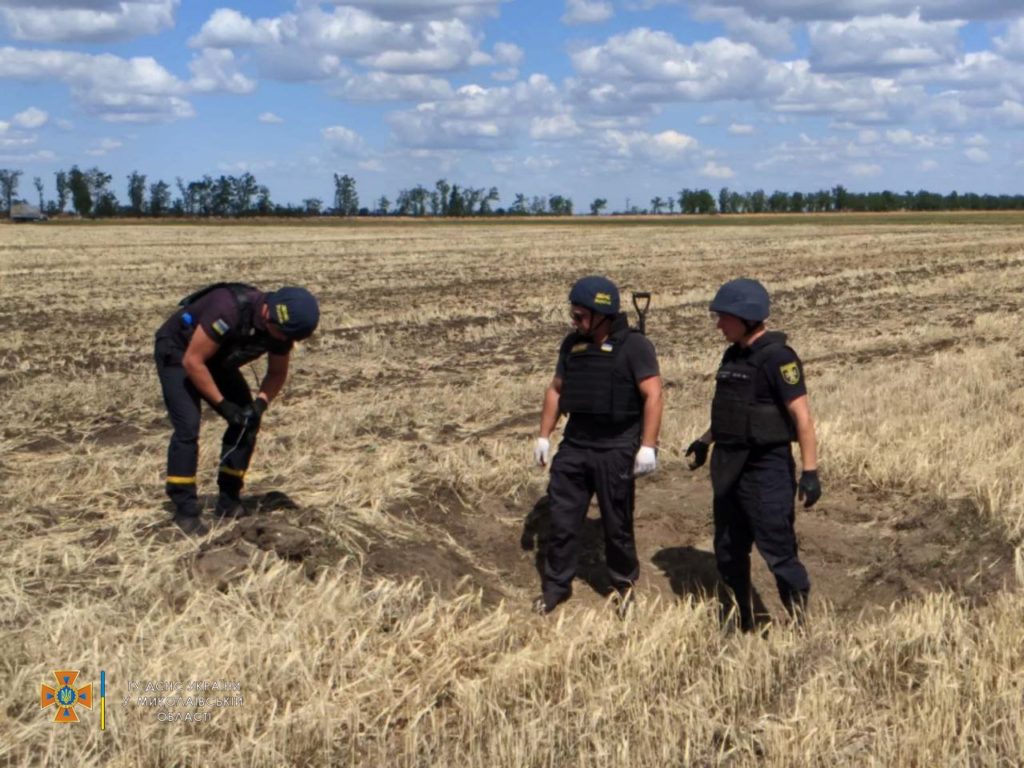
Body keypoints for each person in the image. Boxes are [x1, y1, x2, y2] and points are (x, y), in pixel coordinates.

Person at [685, 278, 820, 631]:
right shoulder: (732, 356)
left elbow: (801, 416)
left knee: (778, 551)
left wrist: (810, 471)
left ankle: (799, 622)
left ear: (745, 317)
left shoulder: (778, 358)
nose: (718, 325)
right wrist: (704, 441)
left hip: (766, 470)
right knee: (728, 550)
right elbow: (732, 412)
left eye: (723, 317)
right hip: (729, 467)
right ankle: (740, 619)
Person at [533, 276, 663, 615]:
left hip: (617, 445)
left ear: (602, 314)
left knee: (616, 523)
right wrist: (544, 436)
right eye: (572, 316)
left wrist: (647, 446)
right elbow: (557, 390)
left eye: (580, 316)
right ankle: (556, 587)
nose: (574, 323)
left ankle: (623, 585)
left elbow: (653, 395)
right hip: (576, 444)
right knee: (561, 520)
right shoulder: (571, 345)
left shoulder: (635, 347)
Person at [154, 282, 319, 536]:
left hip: (218, 360)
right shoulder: (228, 308)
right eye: (282, 335)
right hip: (179, 353)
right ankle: (185, 509)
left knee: (246, 423)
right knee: (188, 426)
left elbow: (276, 373)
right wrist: (223, 405)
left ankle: (229, 499)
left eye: (289, 339)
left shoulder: (282, 329)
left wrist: (259, 404)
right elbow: (193, 361)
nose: (284, 342)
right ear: (267, 314)